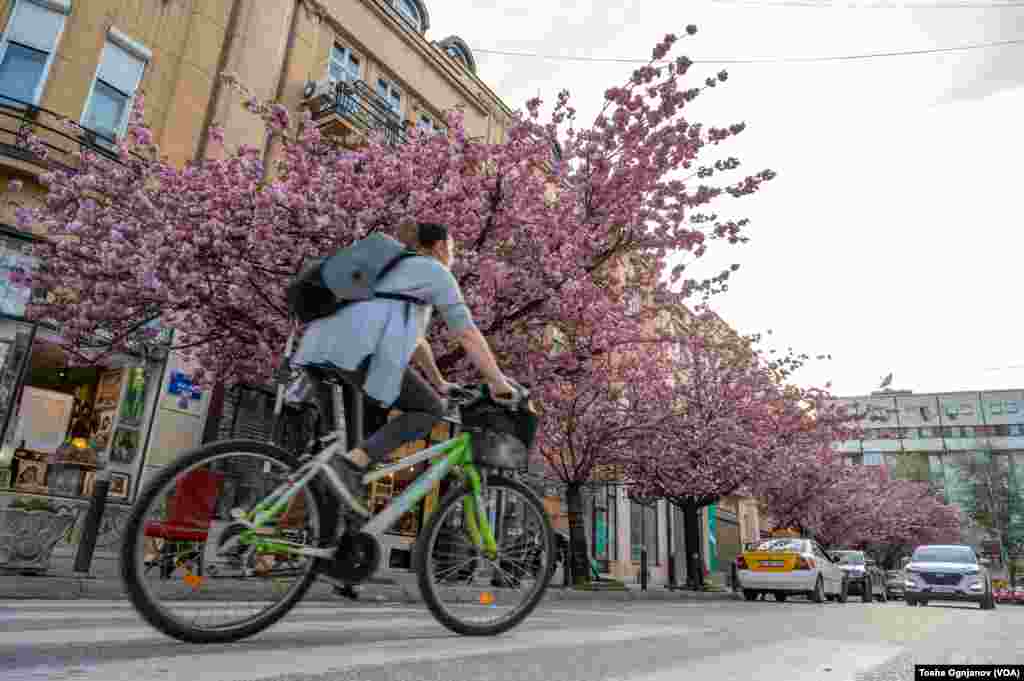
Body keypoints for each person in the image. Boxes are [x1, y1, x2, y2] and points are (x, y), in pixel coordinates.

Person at [290, 221, 518, 516]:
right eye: (452, 249)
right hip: (356, 348)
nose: (453, 256)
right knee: (429, 410)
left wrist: (439, 380)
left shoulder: (396, 269)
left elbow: (418, 342)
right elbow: (467, 333)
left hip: (319, 345)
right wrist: (499, 383)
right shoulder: (436, 271)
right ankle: (348, 467)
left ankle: (321, 531)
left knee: (343, 450)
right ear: (438, 248)